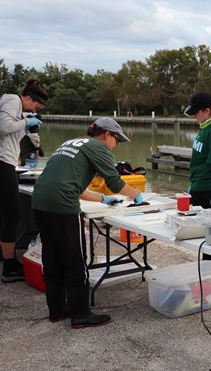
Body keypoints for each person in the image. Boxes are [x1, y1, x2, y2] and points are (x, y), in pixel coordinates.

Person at [31, 118, 144, 328]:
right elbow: (115, 182)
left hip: (39, 201)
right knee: (75, 259)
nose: (115, 145)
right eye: (117, 140)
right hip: (63, 206)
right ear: (107, 135)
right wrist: (137, 194)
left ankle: (57, 310)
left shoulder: (70, 143)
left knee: (52, 255)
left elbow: (74, 185)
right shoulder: (99, 147)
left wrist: (103, 199)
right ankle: (81, 314)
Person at [1, 79, 48, 283]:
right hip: (2, 162)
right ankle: (9, 267)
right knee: (12, 214)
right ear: (28, 98)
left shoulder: (20, 109)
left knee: (6, 213)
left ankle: (7, 260)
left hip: (8, 162)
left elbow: (13, 131)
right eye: (35, 106)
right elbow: (4, 127)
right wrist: (26, 122)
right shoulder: (12, 99)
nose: (34, 110)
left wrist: (29, 127)